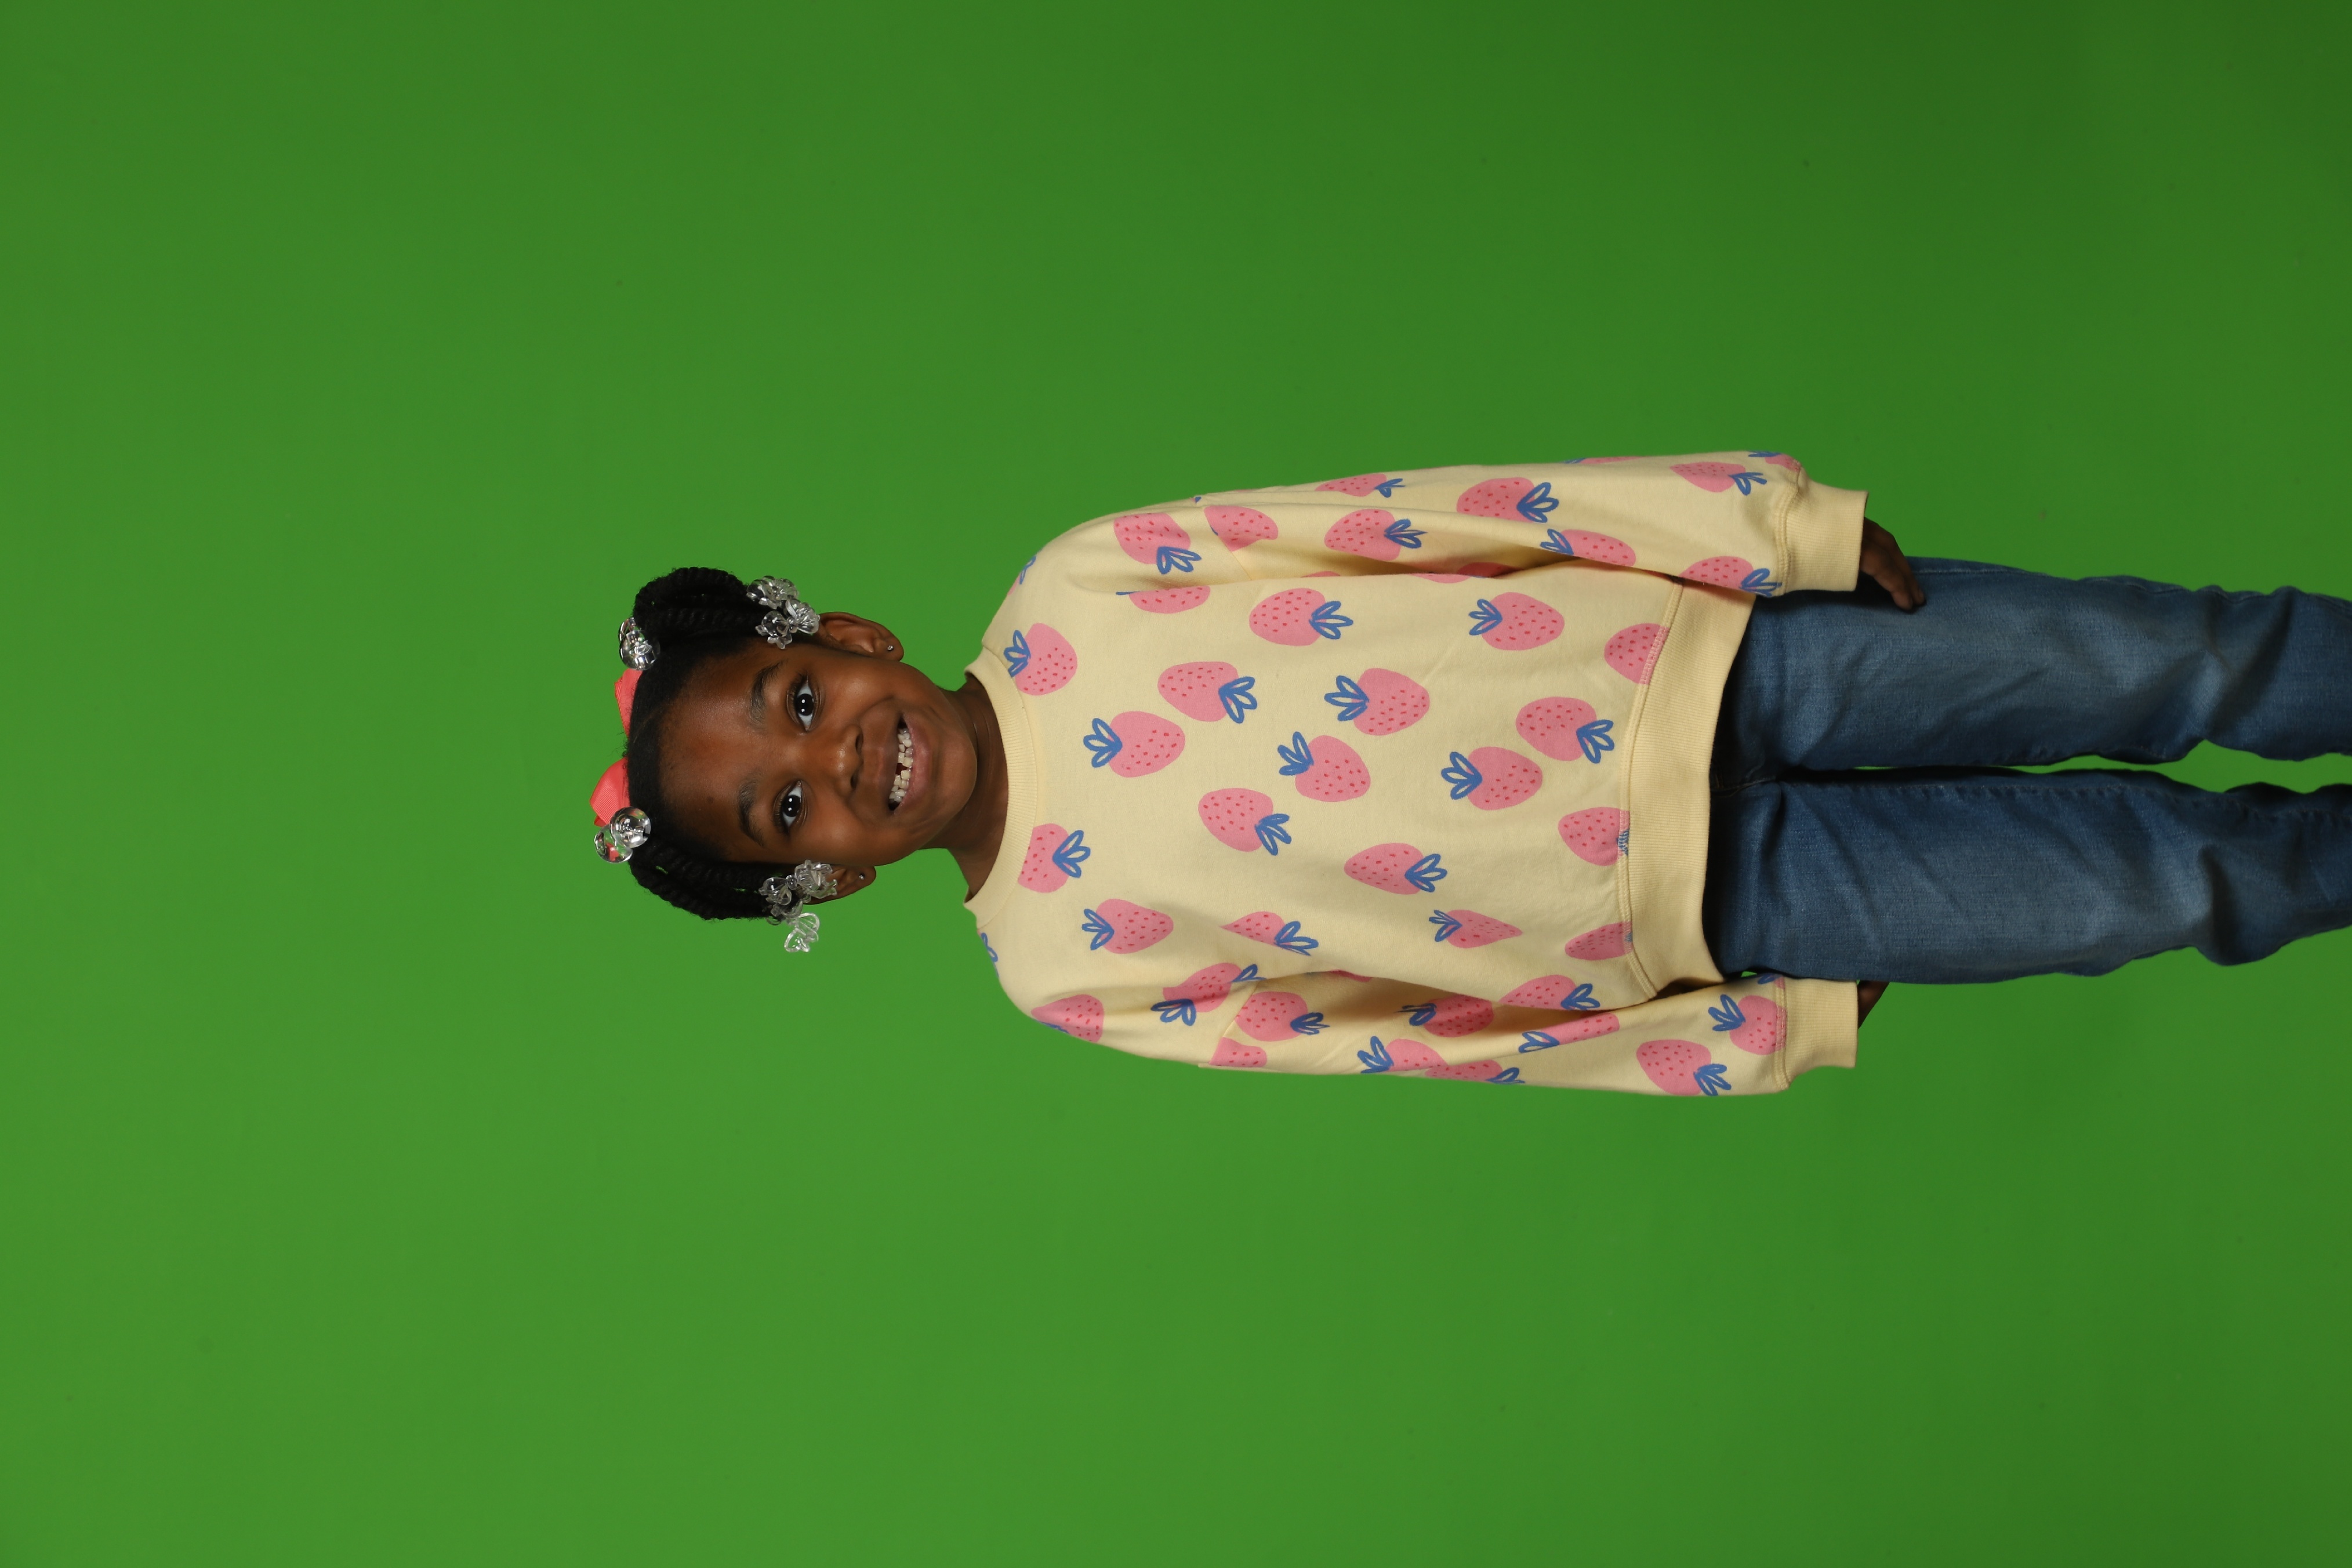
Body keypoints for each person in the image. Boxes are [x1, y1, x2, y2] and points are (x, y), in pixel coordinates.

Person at [585, 453, 2352, 1096]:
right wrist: (1742, 1034)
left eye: (801, 697)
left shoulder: (1082, 584)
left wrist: (1759, 527)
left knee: (2178, 656)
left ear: (855, 636)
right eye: (787, 810)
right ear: (828, 877)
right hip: (1725, 913)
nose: (837, 755)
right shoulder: (1062, 970)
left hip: (1727, 651)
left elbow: (1417, 521)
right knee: (2174, 885)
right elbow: (1390, 1037)